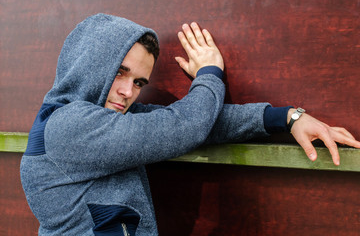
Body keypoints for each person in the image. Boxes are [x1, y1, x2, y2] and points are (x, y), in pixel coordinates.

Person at [20, 13, 360, 236]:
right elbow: (183, 126)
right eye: (120, 72)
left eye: (139, 82)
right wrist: (210, 73)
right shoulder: (67, 126)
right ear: (89, 65)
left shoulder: (101, 121)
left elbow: (195, 124)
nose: (128, 91)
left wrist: (287, 118)